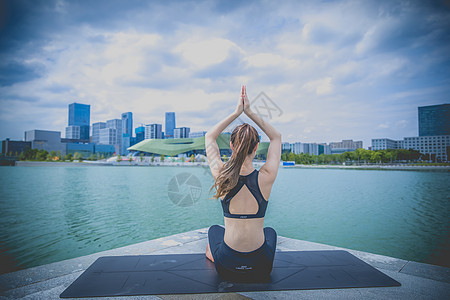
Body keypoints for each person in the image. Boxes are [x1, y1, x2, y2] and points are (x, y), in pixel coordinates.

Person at [204, 85, 282, 283]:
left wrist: (236, 112)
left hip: (227, 267)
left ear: (231, 146)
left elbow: (209, 137)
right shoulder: (266, 176)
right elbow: (276, 137)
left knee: (214, 230)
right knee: (270, 232)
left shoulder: (222, 175)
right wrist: (250, 112)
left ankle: (211, 253)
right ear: (256, 147)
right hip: (262, 268)